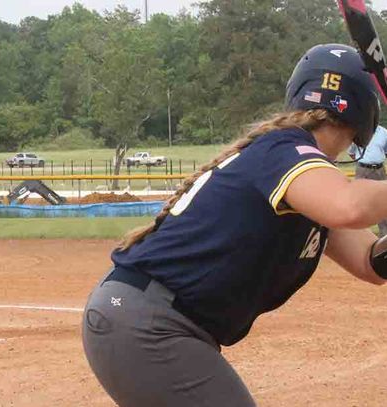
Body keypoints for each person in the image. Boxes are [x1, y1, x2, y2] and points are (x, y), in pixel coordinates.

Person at [82, 43, 387, 406]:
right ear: (363, 114)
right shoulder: (286, 150)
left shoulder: (305, 176)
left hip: (156, 324)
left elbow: (371, 262)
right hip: (149, 324)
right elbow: (349, 206)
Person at [348, 125, 387, 236]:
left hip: (379, 170)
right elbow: (351, 152)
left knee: (383, 201)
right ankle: (359, 235)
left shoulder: (384, 132)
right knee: (358, 202)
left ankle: (384, 236)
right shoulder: (359, 131)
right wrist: (363, 161)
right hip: (363, 169)